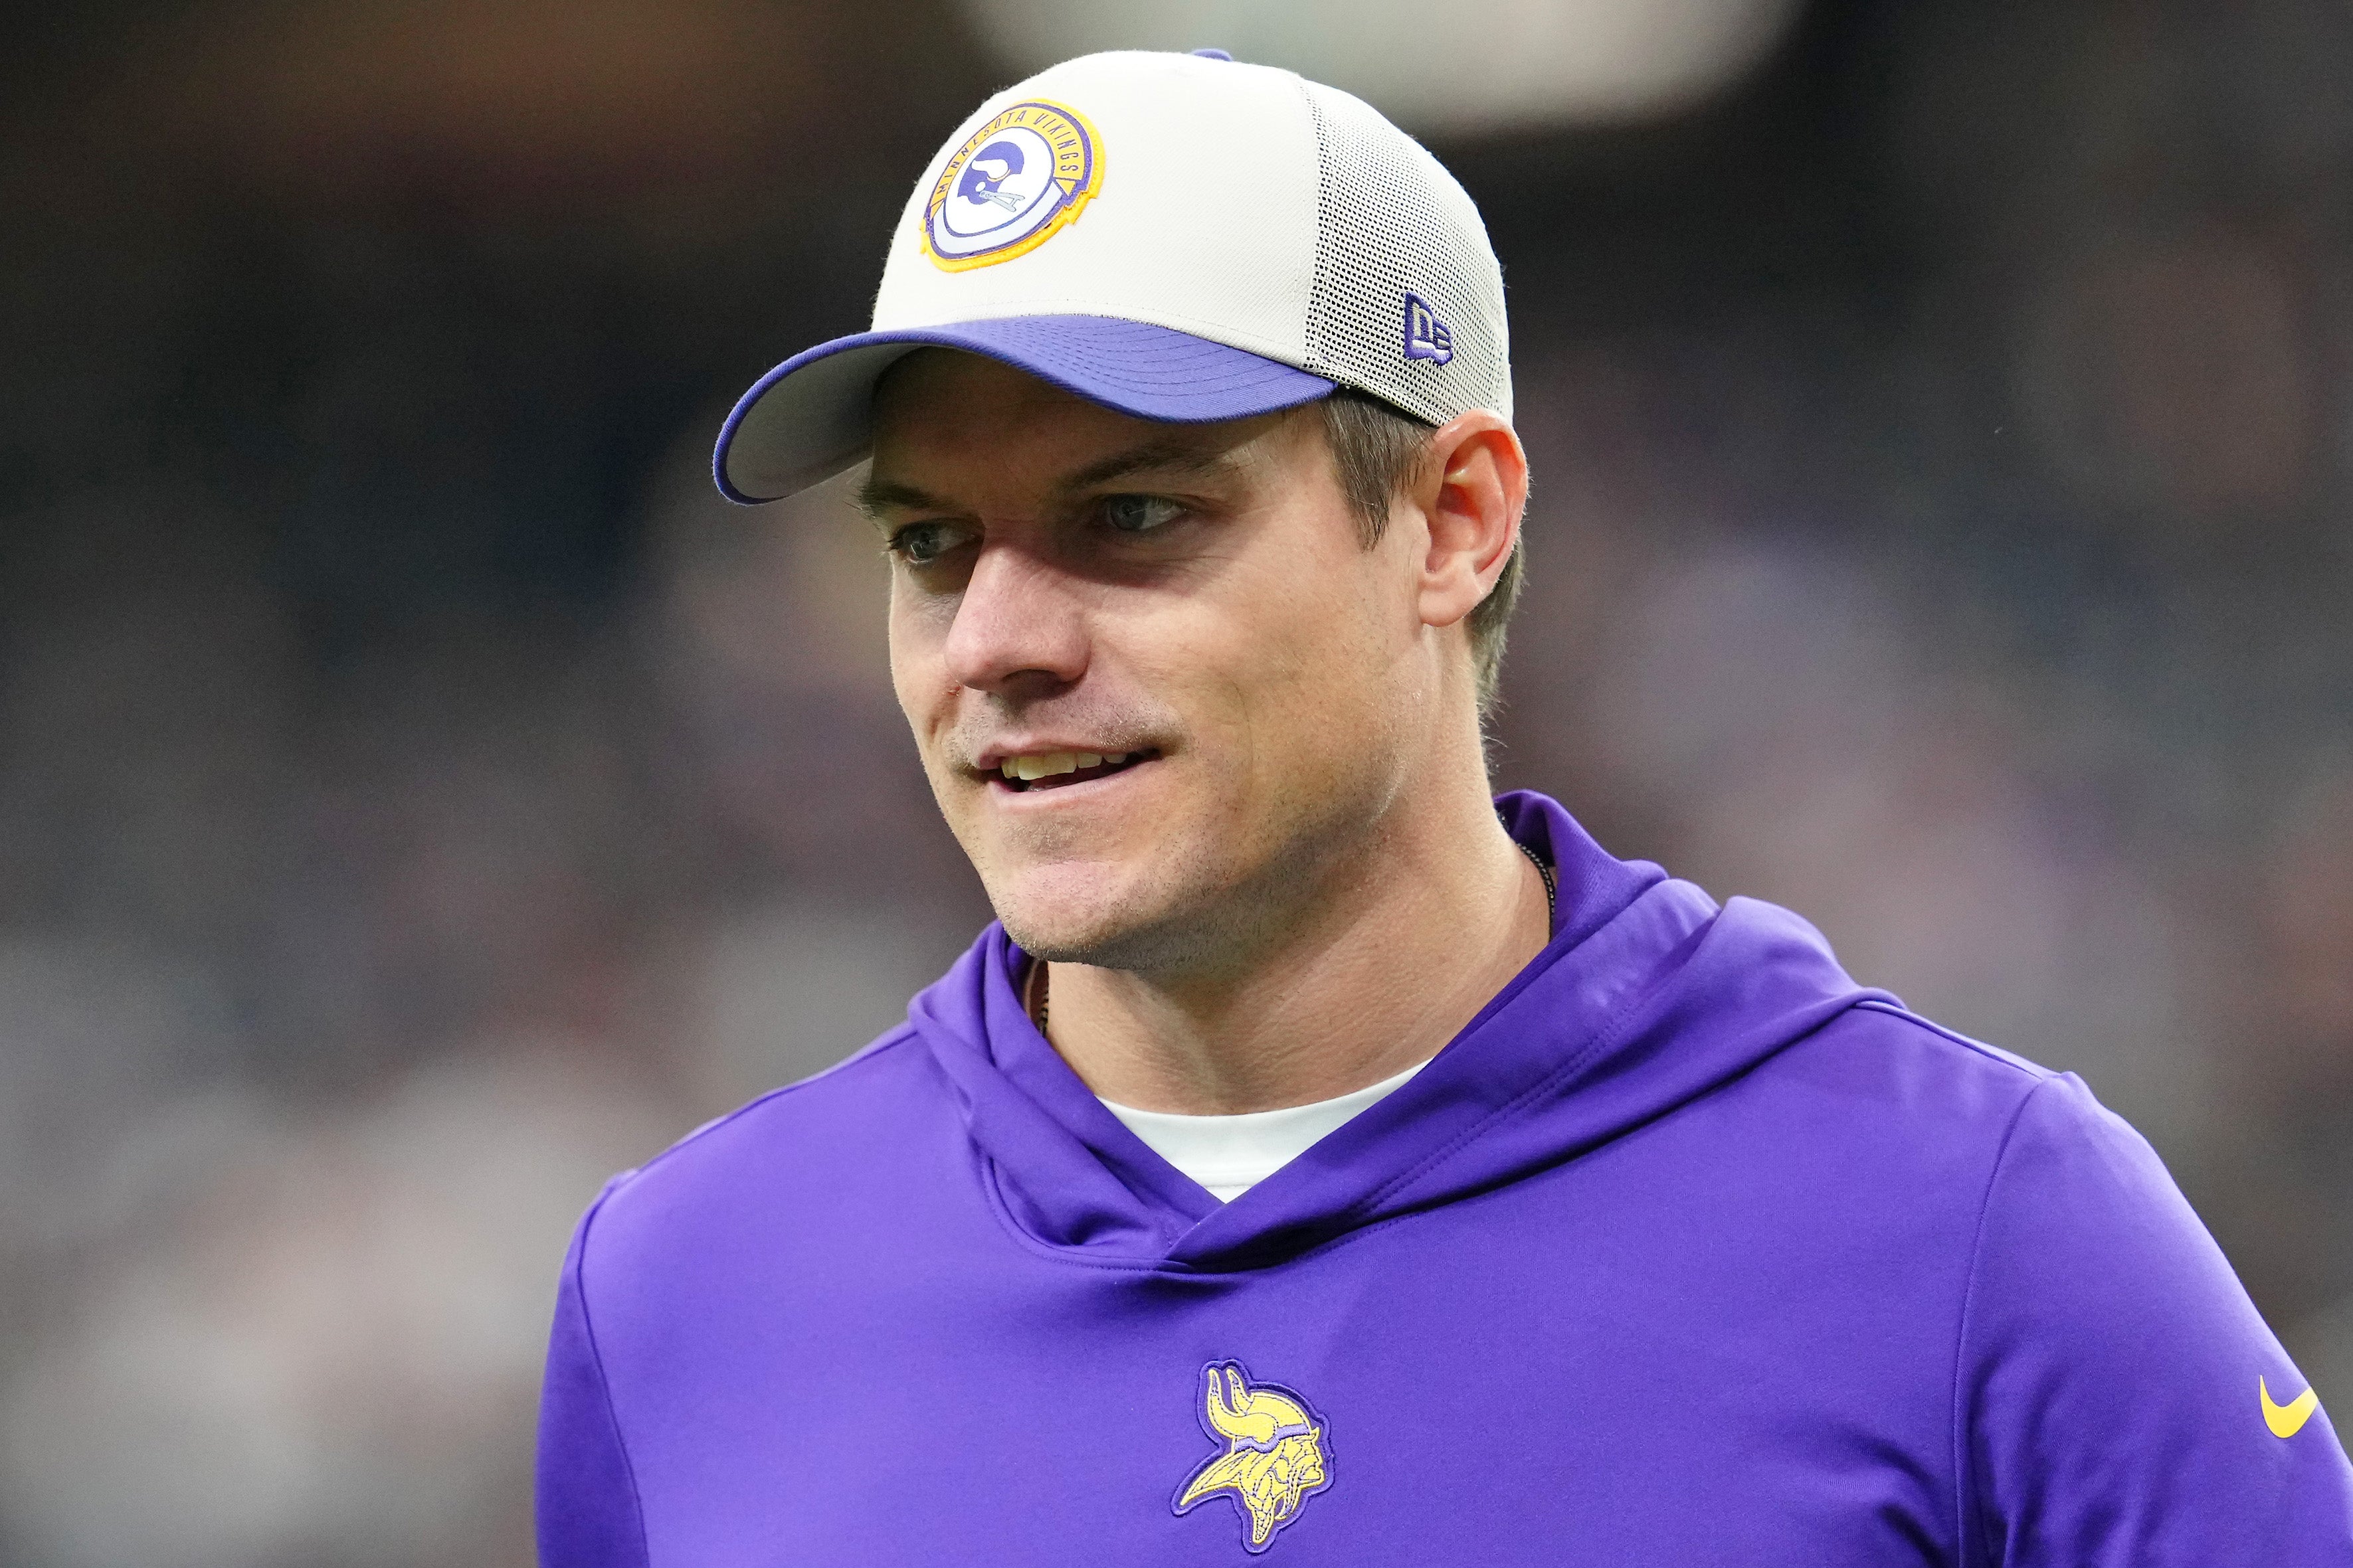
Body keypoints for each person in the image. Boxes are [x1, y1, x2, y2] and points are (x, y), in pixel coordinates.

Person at [535, 49, 2353, 1565]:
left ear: (1455, 520)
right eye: (932, 544)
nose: (996, 643)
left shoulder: (1978, 1232)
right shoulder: (688, 1294)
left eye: (1134, 516)